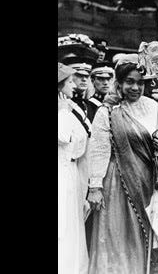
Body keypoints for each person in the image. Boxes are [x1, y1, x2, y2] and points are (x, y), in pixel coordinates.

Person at [86, 60, 158, 273]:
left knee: (143, 234)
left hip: (147, 182)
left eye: (140, 83)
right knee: (116, 235)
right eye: (129, 82)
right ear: (118, 83)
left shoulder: (153, 108)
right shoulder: (107, 111)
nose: (135, 88)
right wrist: (95, 187)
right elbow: (98, 149)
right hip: (117, 183)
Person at [58, 63, 89, 274]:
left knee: (71, 224)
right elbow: (63, 137)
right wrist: (63, 112)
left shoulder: (69, 107)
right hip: (62, 173)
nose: (73, 85)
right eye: (69, 82)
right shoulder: (63, 111)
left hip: (71, 172)